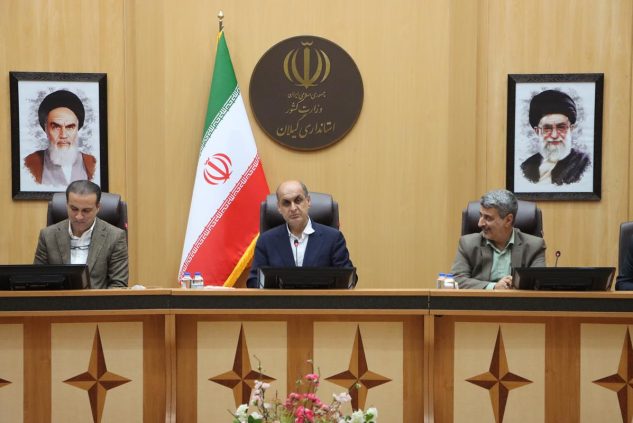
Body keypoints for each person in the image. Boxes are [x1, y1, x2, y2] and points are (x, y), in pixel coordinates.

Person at [247, 180, 356, 288]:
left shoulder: (333, 238)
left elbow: (348, 279)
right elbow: (254, 280)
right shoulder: (266, 241)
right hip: (280, 299)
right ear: (279, 207)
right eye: (286, 203)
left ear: (308, 201)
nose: (293, 208)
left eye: (298, 200)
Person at [34, 180, 128, 289]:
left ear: (98, 207)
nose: (79, 216)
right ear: (66, 205)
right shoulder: (47, 236)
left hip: (97, 299)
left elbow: (118, 285)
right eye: (74, 209)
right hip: (58, 299)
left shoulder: (115, 237)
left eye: (86, 211)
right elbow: (37, 281)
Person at [450, 189, 546, 289]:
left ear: (508, 220)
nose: (480, 223)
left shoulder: (534, 246)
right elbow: (457, 279)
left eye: (488, 218)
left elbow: (539, 284)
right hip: (480, 299)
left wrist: (516, 284)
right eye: (481, 215)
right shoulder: (468, 244)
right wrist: (493, 287)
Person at [24, 90, 97, 185]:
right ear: (46, 129)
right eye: (56, 127)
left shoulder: (93, 163)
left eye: (70, 127)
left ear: (77, 128)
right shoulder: (29, 164)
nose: (63, 135)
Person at [520, 89, 590, 185]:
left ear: (571, 129)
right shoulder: (526, 168)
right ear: (537, 131)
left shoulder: (585, 165)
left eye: (561, 127)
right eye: (547, 128)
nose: (554, 135)